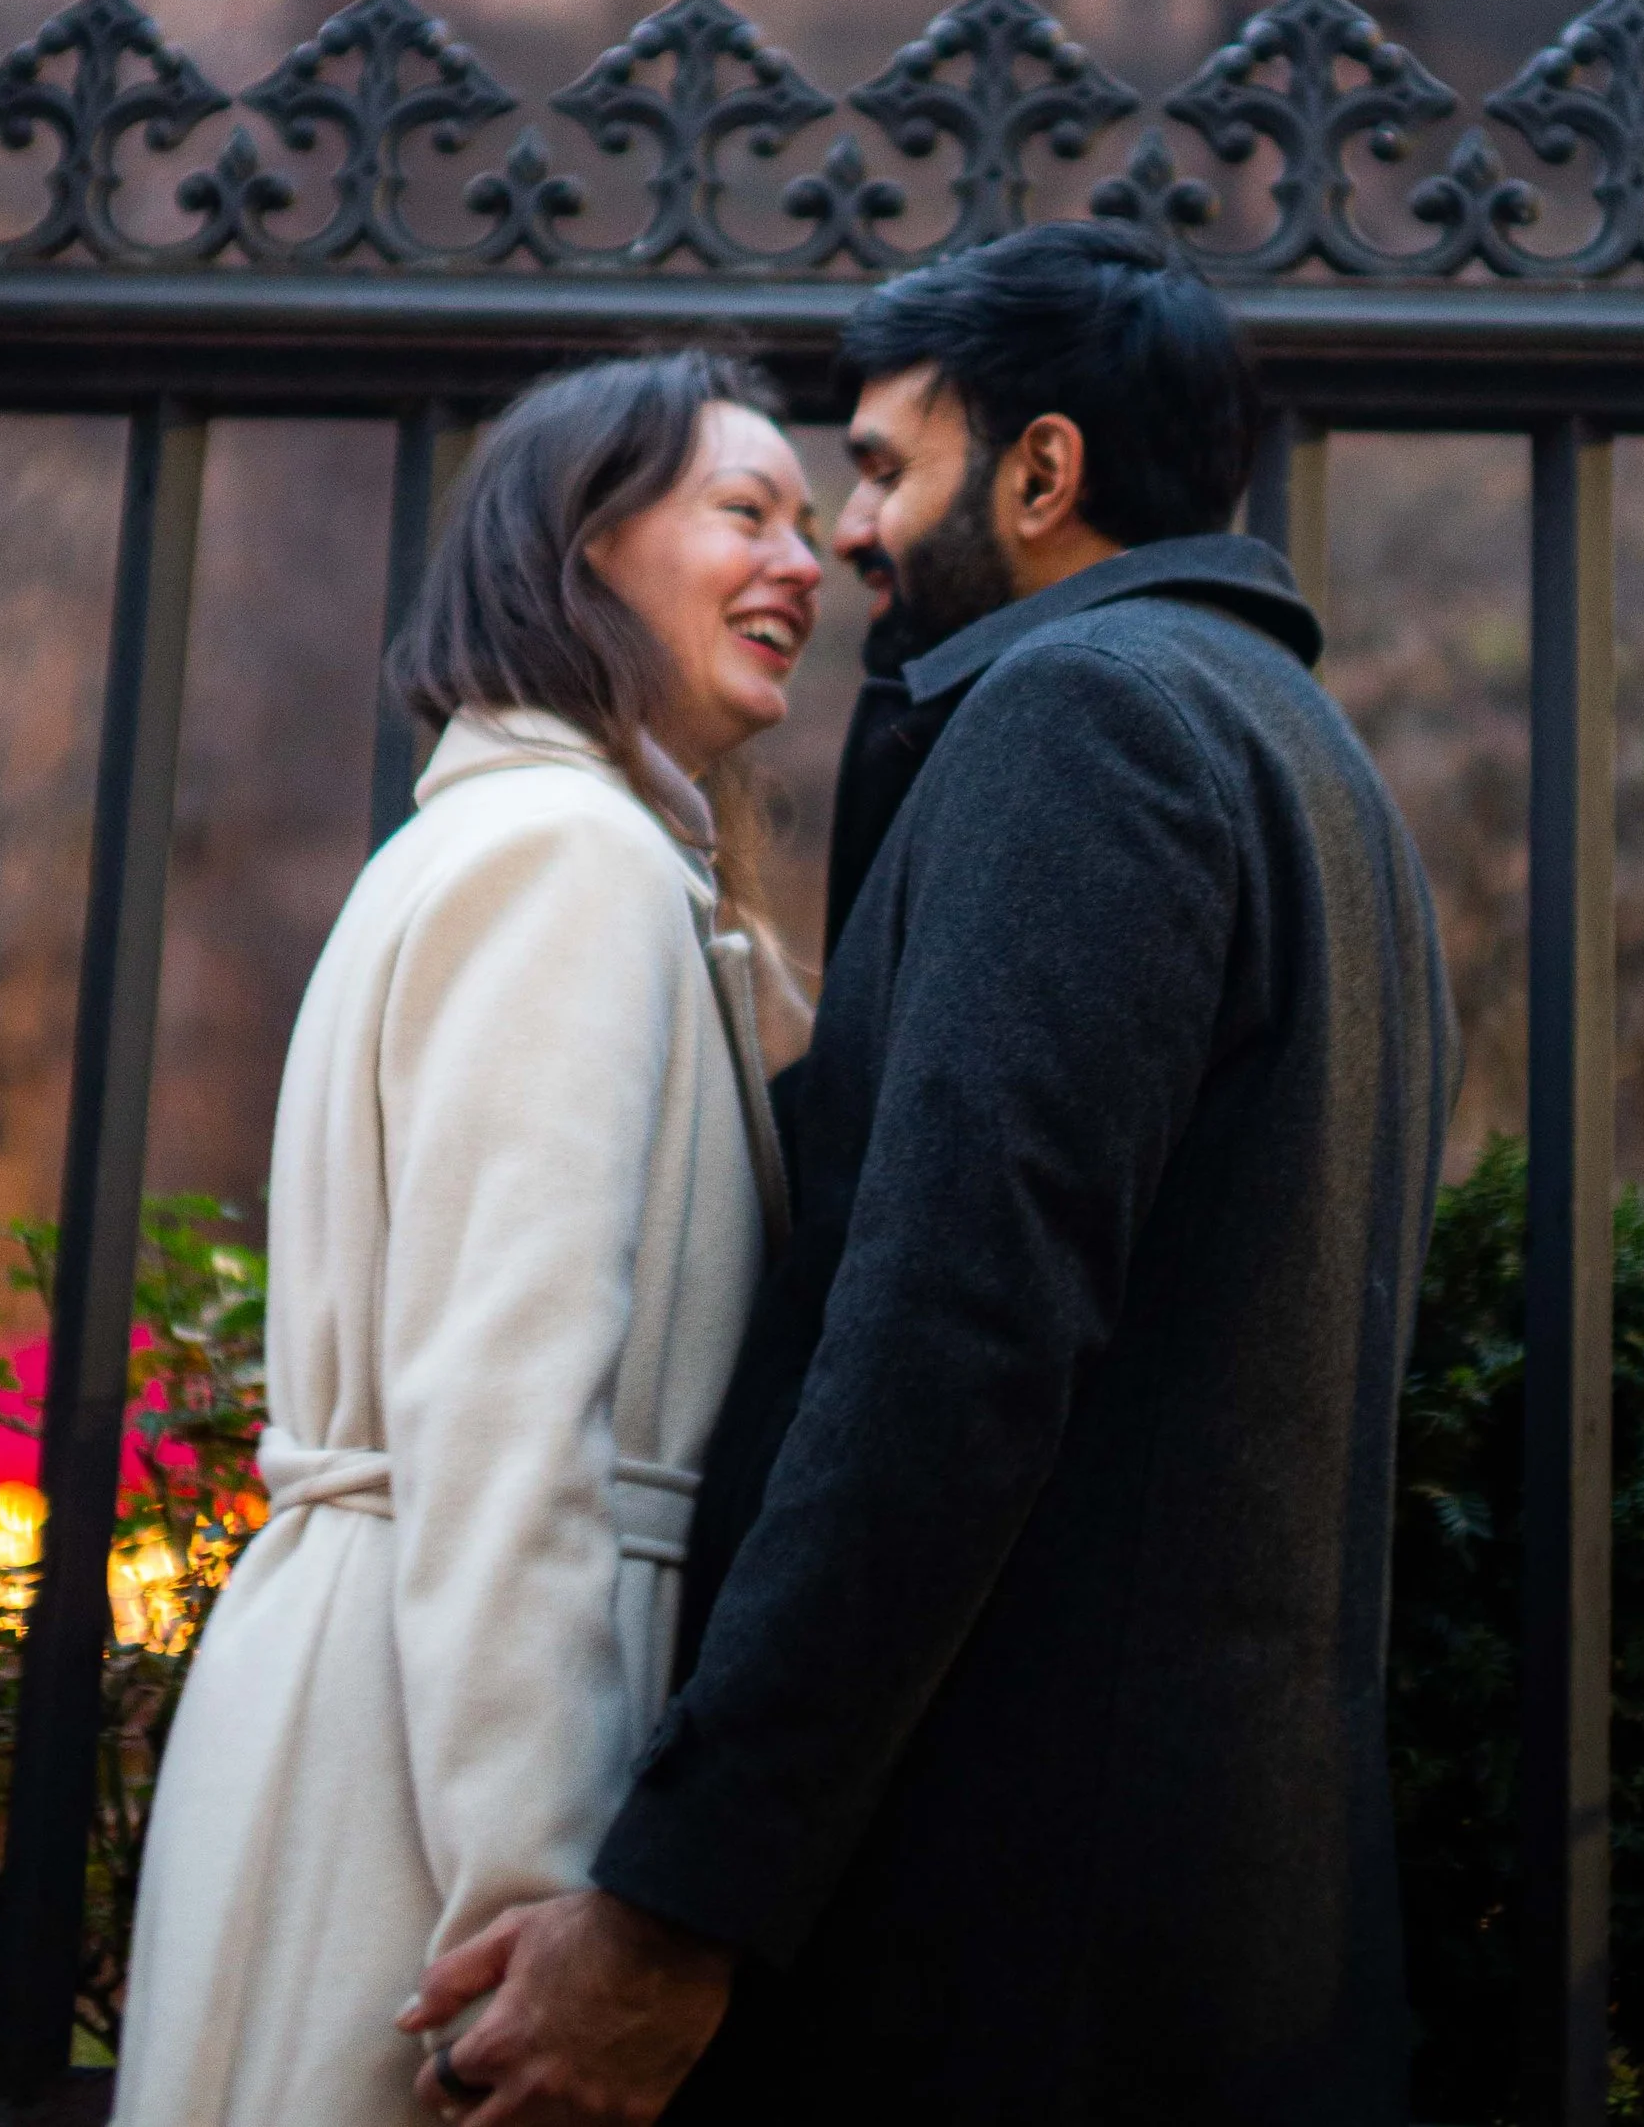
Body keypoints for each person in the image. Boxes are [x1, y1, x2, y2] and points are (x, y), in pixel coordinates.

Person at [405, 223, 1456, 2127]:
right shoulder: (1309, 756)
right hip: (1201, 1953)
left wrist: (679, 1904)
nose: (853, 532)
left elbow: (948, 1346)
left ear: (1042, 471)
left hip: (1013, 1954)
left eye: (887, 467)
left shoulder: (1088, 716)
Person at [112, 351, 822, 2127]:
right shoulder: (569, 859)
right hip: (431, 1787)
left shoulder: (557, 842)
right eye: (745, 509)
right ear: (584, 550)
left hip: (393, 1715)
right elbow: (505, 1414)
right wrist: (543, 1903)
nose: (805, 561)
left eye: (810, 519)